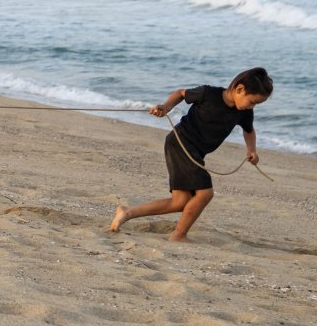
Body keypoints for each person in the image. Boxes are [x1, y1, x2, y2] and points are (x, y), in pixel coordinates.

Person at [110, 67, 273, 242]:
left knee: (180, 202)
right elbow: (181, 93)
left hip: (196, 152)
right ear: (239, 89)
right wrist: (166, 106)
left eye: (256, 104)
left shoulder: (244, 112)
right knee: (205, 193)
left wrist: (252, 150)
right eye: (252, 102)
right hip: (181, 143)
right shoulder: (208, 94)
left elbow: (249, 131)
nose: (252, 106)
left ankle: (126, 213)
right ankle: (179, 235)